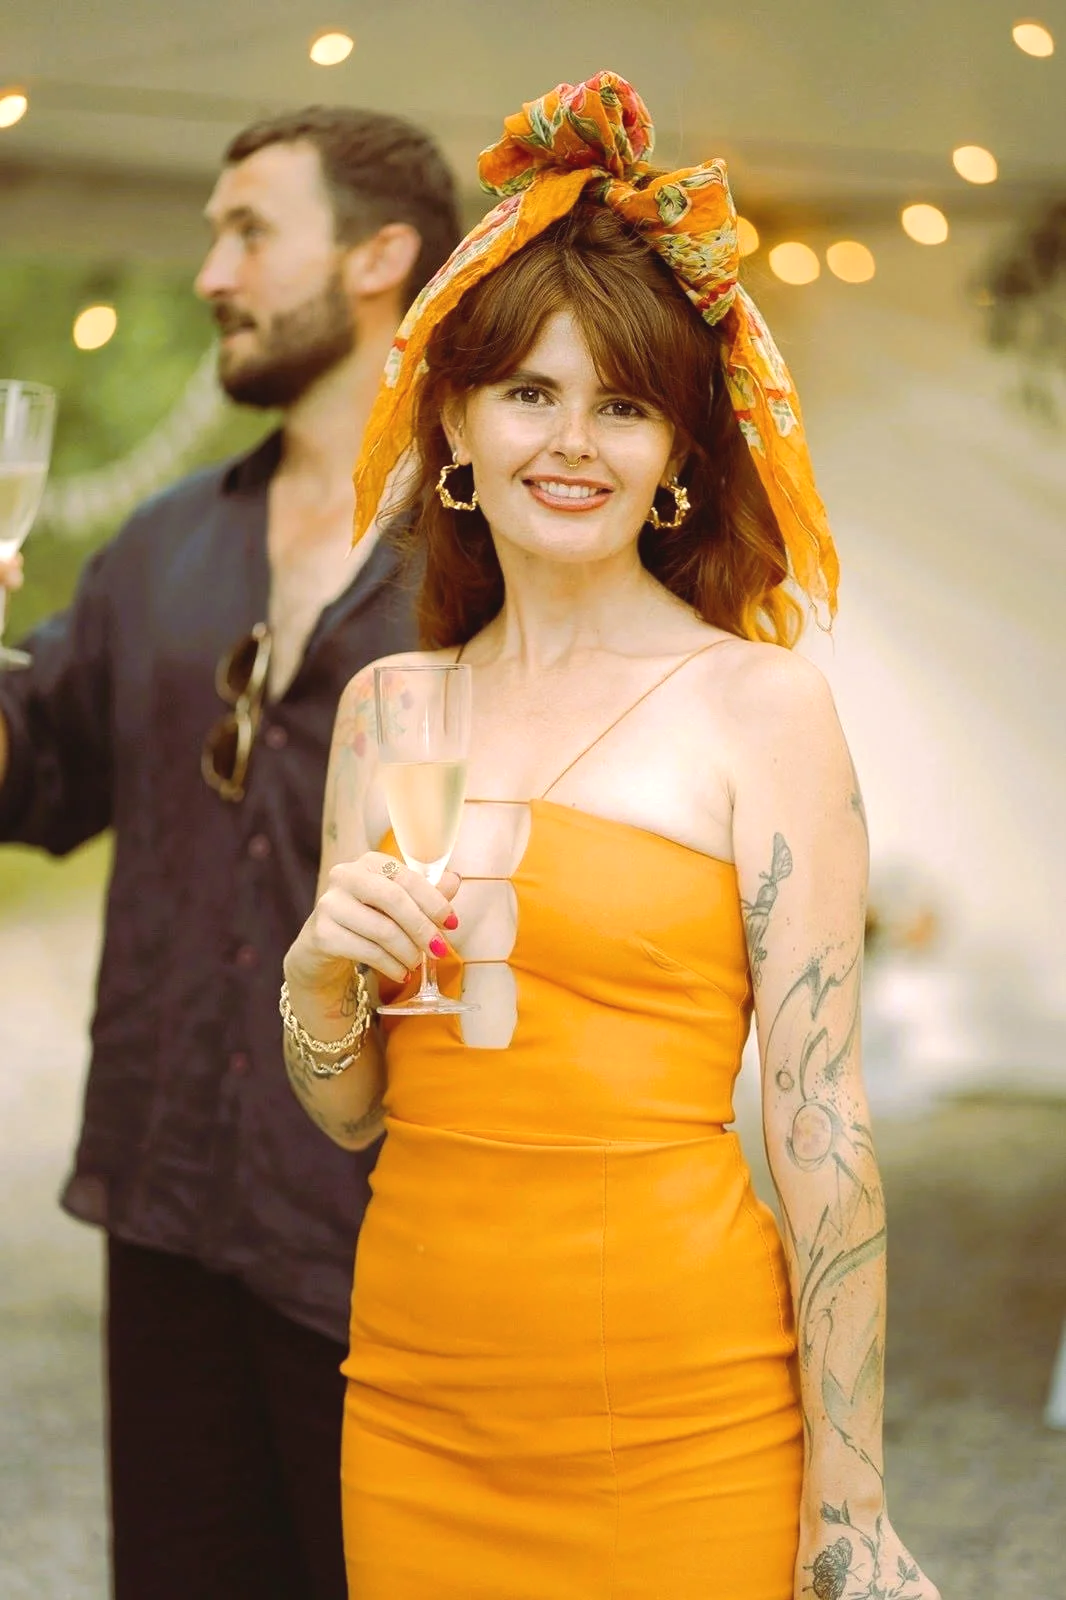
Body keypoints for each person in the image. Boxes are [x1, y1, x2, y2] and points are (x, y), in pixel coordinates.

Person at [282, 73, 940, 1600]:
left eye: (623, 406)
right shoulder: (389, 710)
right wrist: (315, 983)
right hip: (413, 1405)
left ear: (677, 456)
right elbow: (358, 1112)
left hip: (680, 1412)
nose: (570, 443)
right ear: (455, 419)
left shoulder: (757, 710)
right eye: (530, 393)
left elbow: (821, 1123)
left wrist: (848, 1504)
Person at [0, 107, 459, 1600]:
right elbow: (34, 770)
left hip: (397, 1235)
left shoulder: (492, 556)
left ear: (380, 256)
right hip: (169, 1212)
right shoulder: (160, 545)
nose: (210, 273)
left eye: (249, 232)